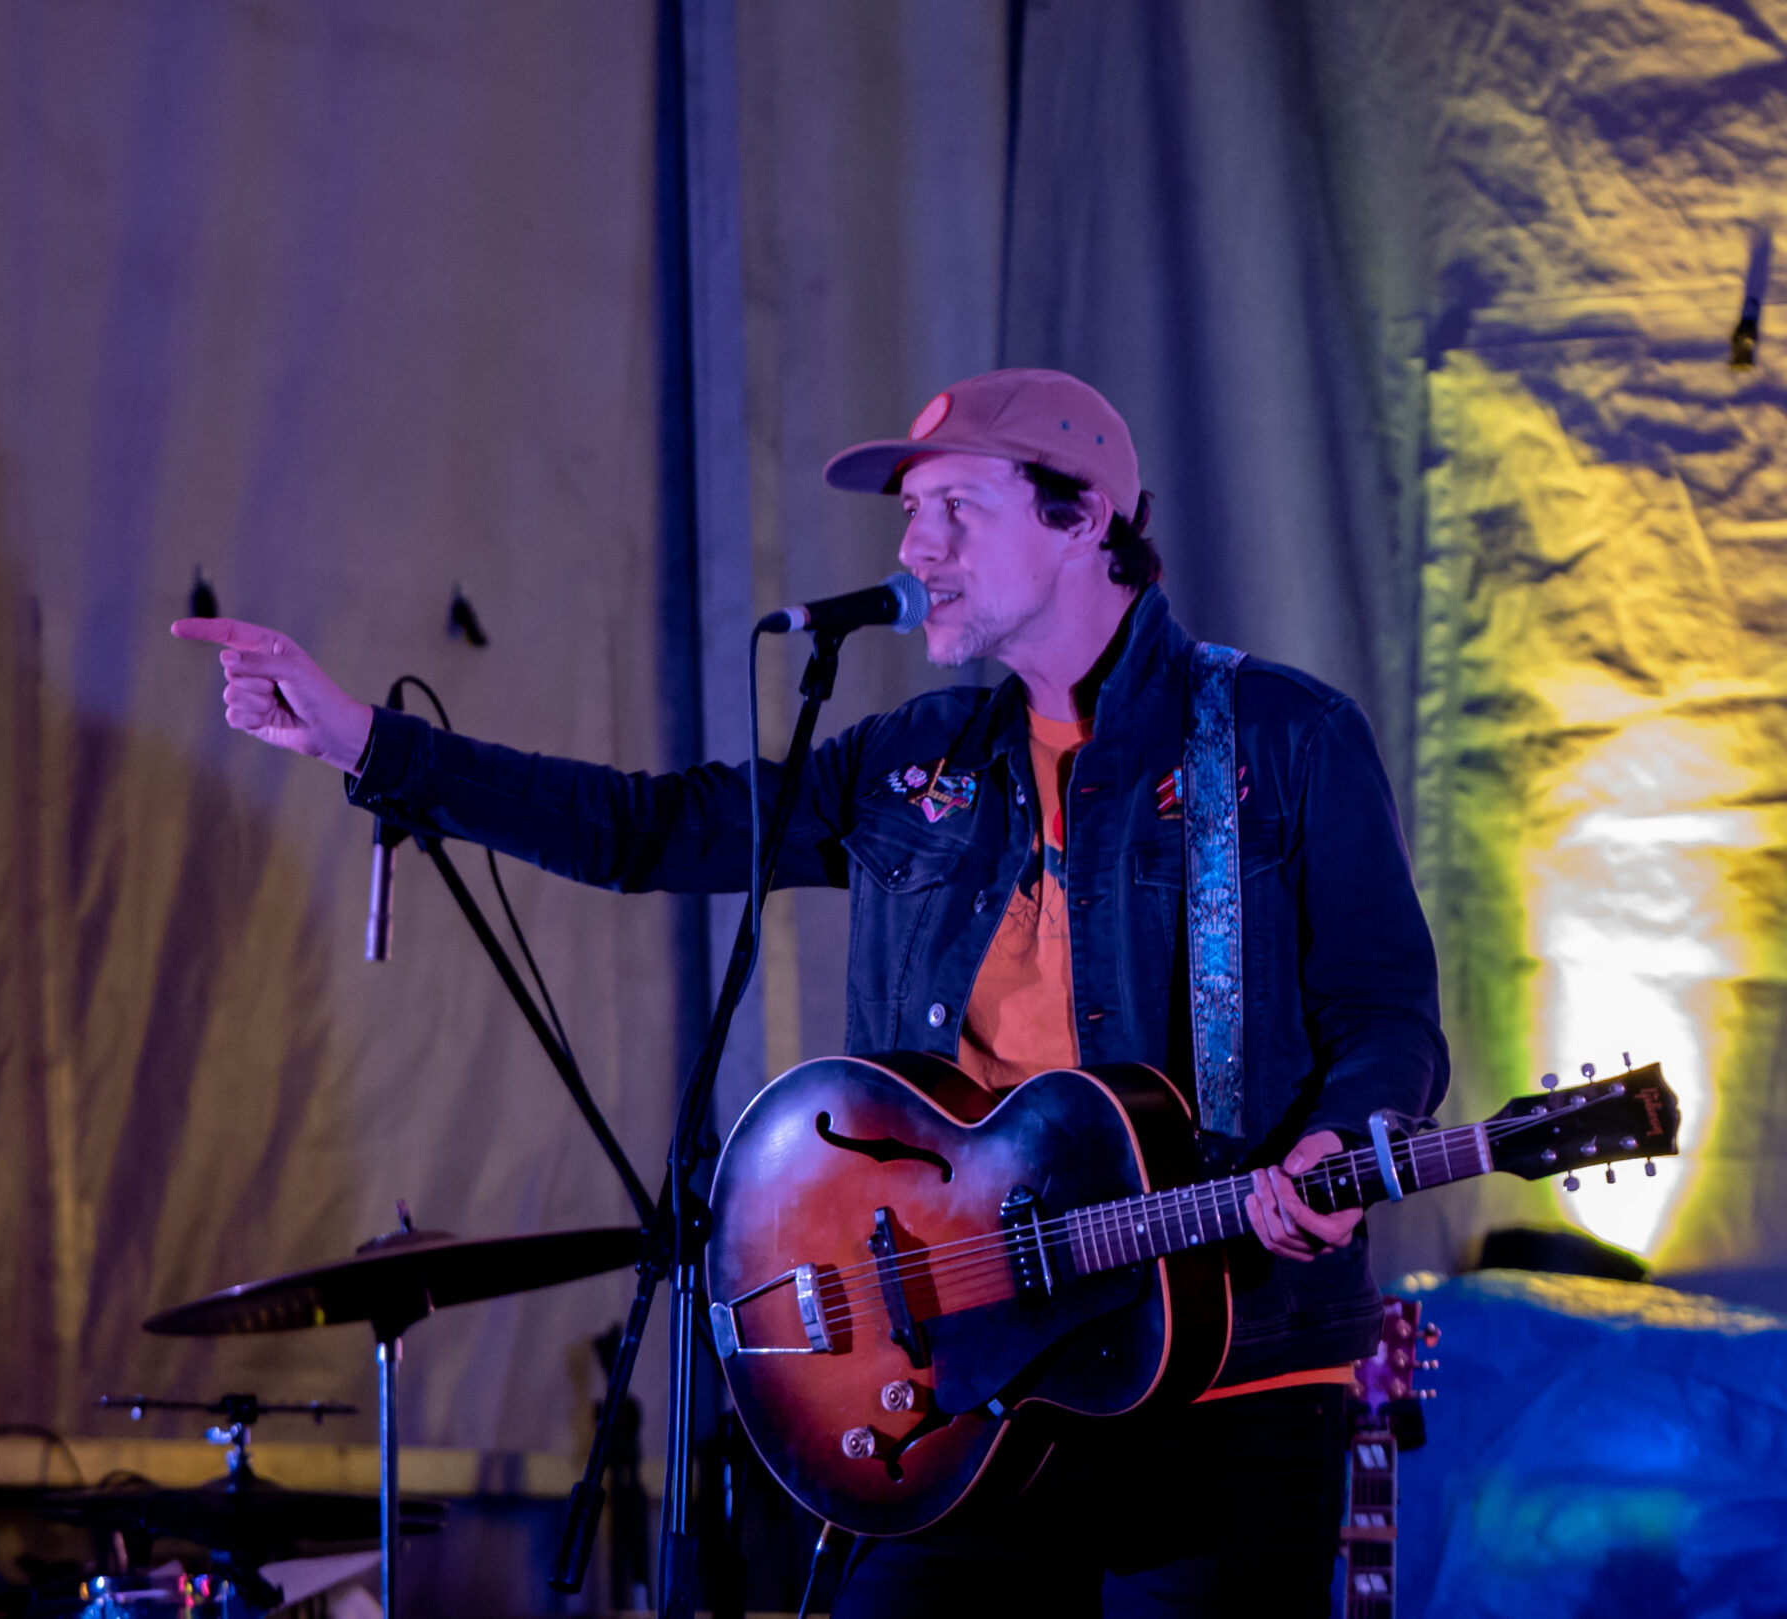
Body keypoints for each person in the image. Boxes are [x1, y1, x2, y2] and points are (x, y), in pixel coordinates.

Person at [173, 368, 1446, 1615]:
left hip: (1220, 1365)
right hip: (969, 1377)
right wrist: (363, 740)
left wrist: (1340, 1143)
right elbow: (652, 829)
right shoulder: (911, 760)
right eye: (908, 513)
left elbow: (1384, 1013)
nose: (915, 544)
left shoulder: (1279, 738)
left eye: (955, 508)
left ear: (1081, 518)